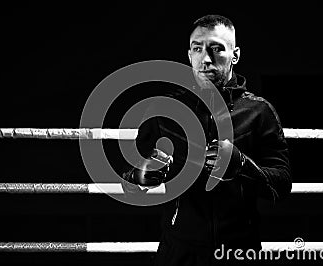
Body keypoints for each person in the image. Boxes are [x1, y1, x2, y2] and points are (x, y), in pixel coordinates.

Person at [121, 14, 292, 265]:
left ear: (235, 55)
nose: (206, 59)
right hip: (179, 249)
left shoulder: (259, 112)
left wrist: (242, 166)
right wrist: (139, 176)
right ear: (189, 54)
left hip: (239, 250)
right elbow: (128, 185)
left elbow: (282, 185)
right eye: (198, 48)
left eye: (217, 49)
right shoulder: (164, 110)